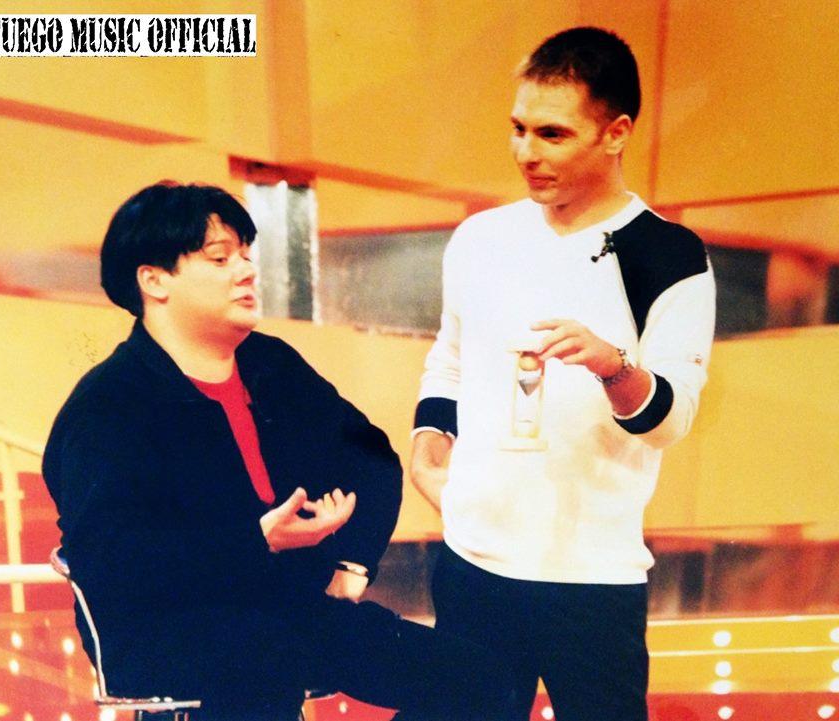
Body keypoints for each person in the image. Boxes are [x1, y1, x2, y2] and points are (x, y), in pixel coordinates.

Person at [42, 182, 520, 721]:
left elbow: (370, 460)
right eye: (220, 258)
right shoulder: (107, 405)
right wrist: (257, 540)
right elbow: (111, 558)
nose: (246, 271)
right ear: (154, 280)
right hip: (167, 631)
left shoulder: (270, 364)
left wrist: (352, 563)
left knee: (480, 681)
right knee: (263, 667)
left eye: (246, 255)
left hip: (286, 612)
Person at [410, 27, 716, 721]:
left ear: (616, 133)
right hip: (473, 562)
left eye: (552, 134)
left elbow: (672, 420)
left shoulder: (668, 255)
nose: (526, 152)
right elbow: (449, 358)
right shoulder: (480, 238)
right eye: (518, 129)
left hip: (593, 577)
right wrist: (428, 448)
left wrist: (613, 366)